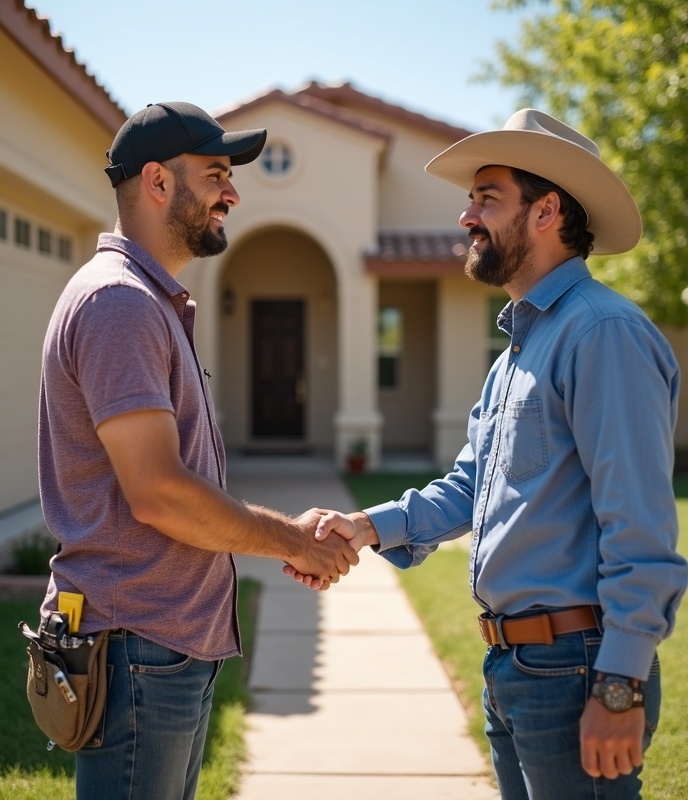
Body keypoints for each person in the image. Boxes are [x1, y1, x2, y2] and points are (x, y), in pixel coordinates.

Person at [287, 109, 688, 799]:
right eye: (471, 199)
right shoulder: (518, 353)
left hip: (577, 668)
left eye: (487, 197)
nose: (467, 216)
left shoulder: (602, 335)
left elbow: (641, 525)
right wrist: (366, 527)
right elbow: (474, 487)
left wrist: (619, 687)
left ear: (547, 211)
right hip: (517, 668)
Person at [37, 101, 358, 800]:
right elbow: (158, 491)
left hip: (157, 648)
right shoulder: (119, 304)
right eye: (216, 174)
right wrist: (291, 542)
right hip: (138, 650)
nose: (234, 193)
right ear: (157, 182)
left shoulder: (146, 302)